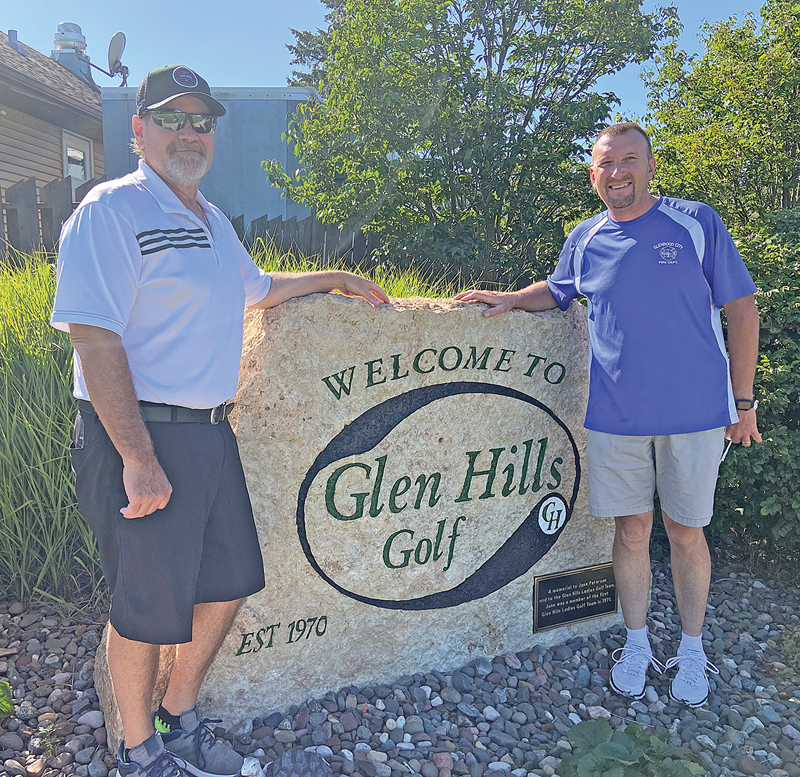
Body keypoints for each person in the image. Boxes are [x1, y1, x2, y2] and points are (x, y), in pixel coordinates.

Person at [51, 64, 389, 777]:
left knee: (230, 579)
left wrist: (332, 278)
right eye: (172, 118)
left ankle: (179, 714)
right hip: (136, 435)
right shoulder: (110, 211)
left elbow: (259, 289)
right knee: (146, 602)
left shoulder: (209, 220)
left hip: (207, 432)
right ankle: (139, 751)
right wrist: (137, 456)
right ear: (138, 130)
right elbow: (94, 335)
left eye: (201, 122)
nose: (190, 133)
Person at [455, 122, 760, 709]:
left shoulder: (695, 223)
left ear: (649, 165)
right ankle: (638, 643)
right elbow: (561, 288)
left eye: (627, 160)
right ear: (593, 173)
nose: (615, 172)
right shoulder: (586, 236)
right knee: (631, 530)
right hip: (616, 416)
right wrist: (515, 298)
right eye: (604, 164)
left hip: (694, 415)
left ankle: (692, 651)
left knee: (686, 532)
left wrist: (742, 403)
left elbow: (741, 308)